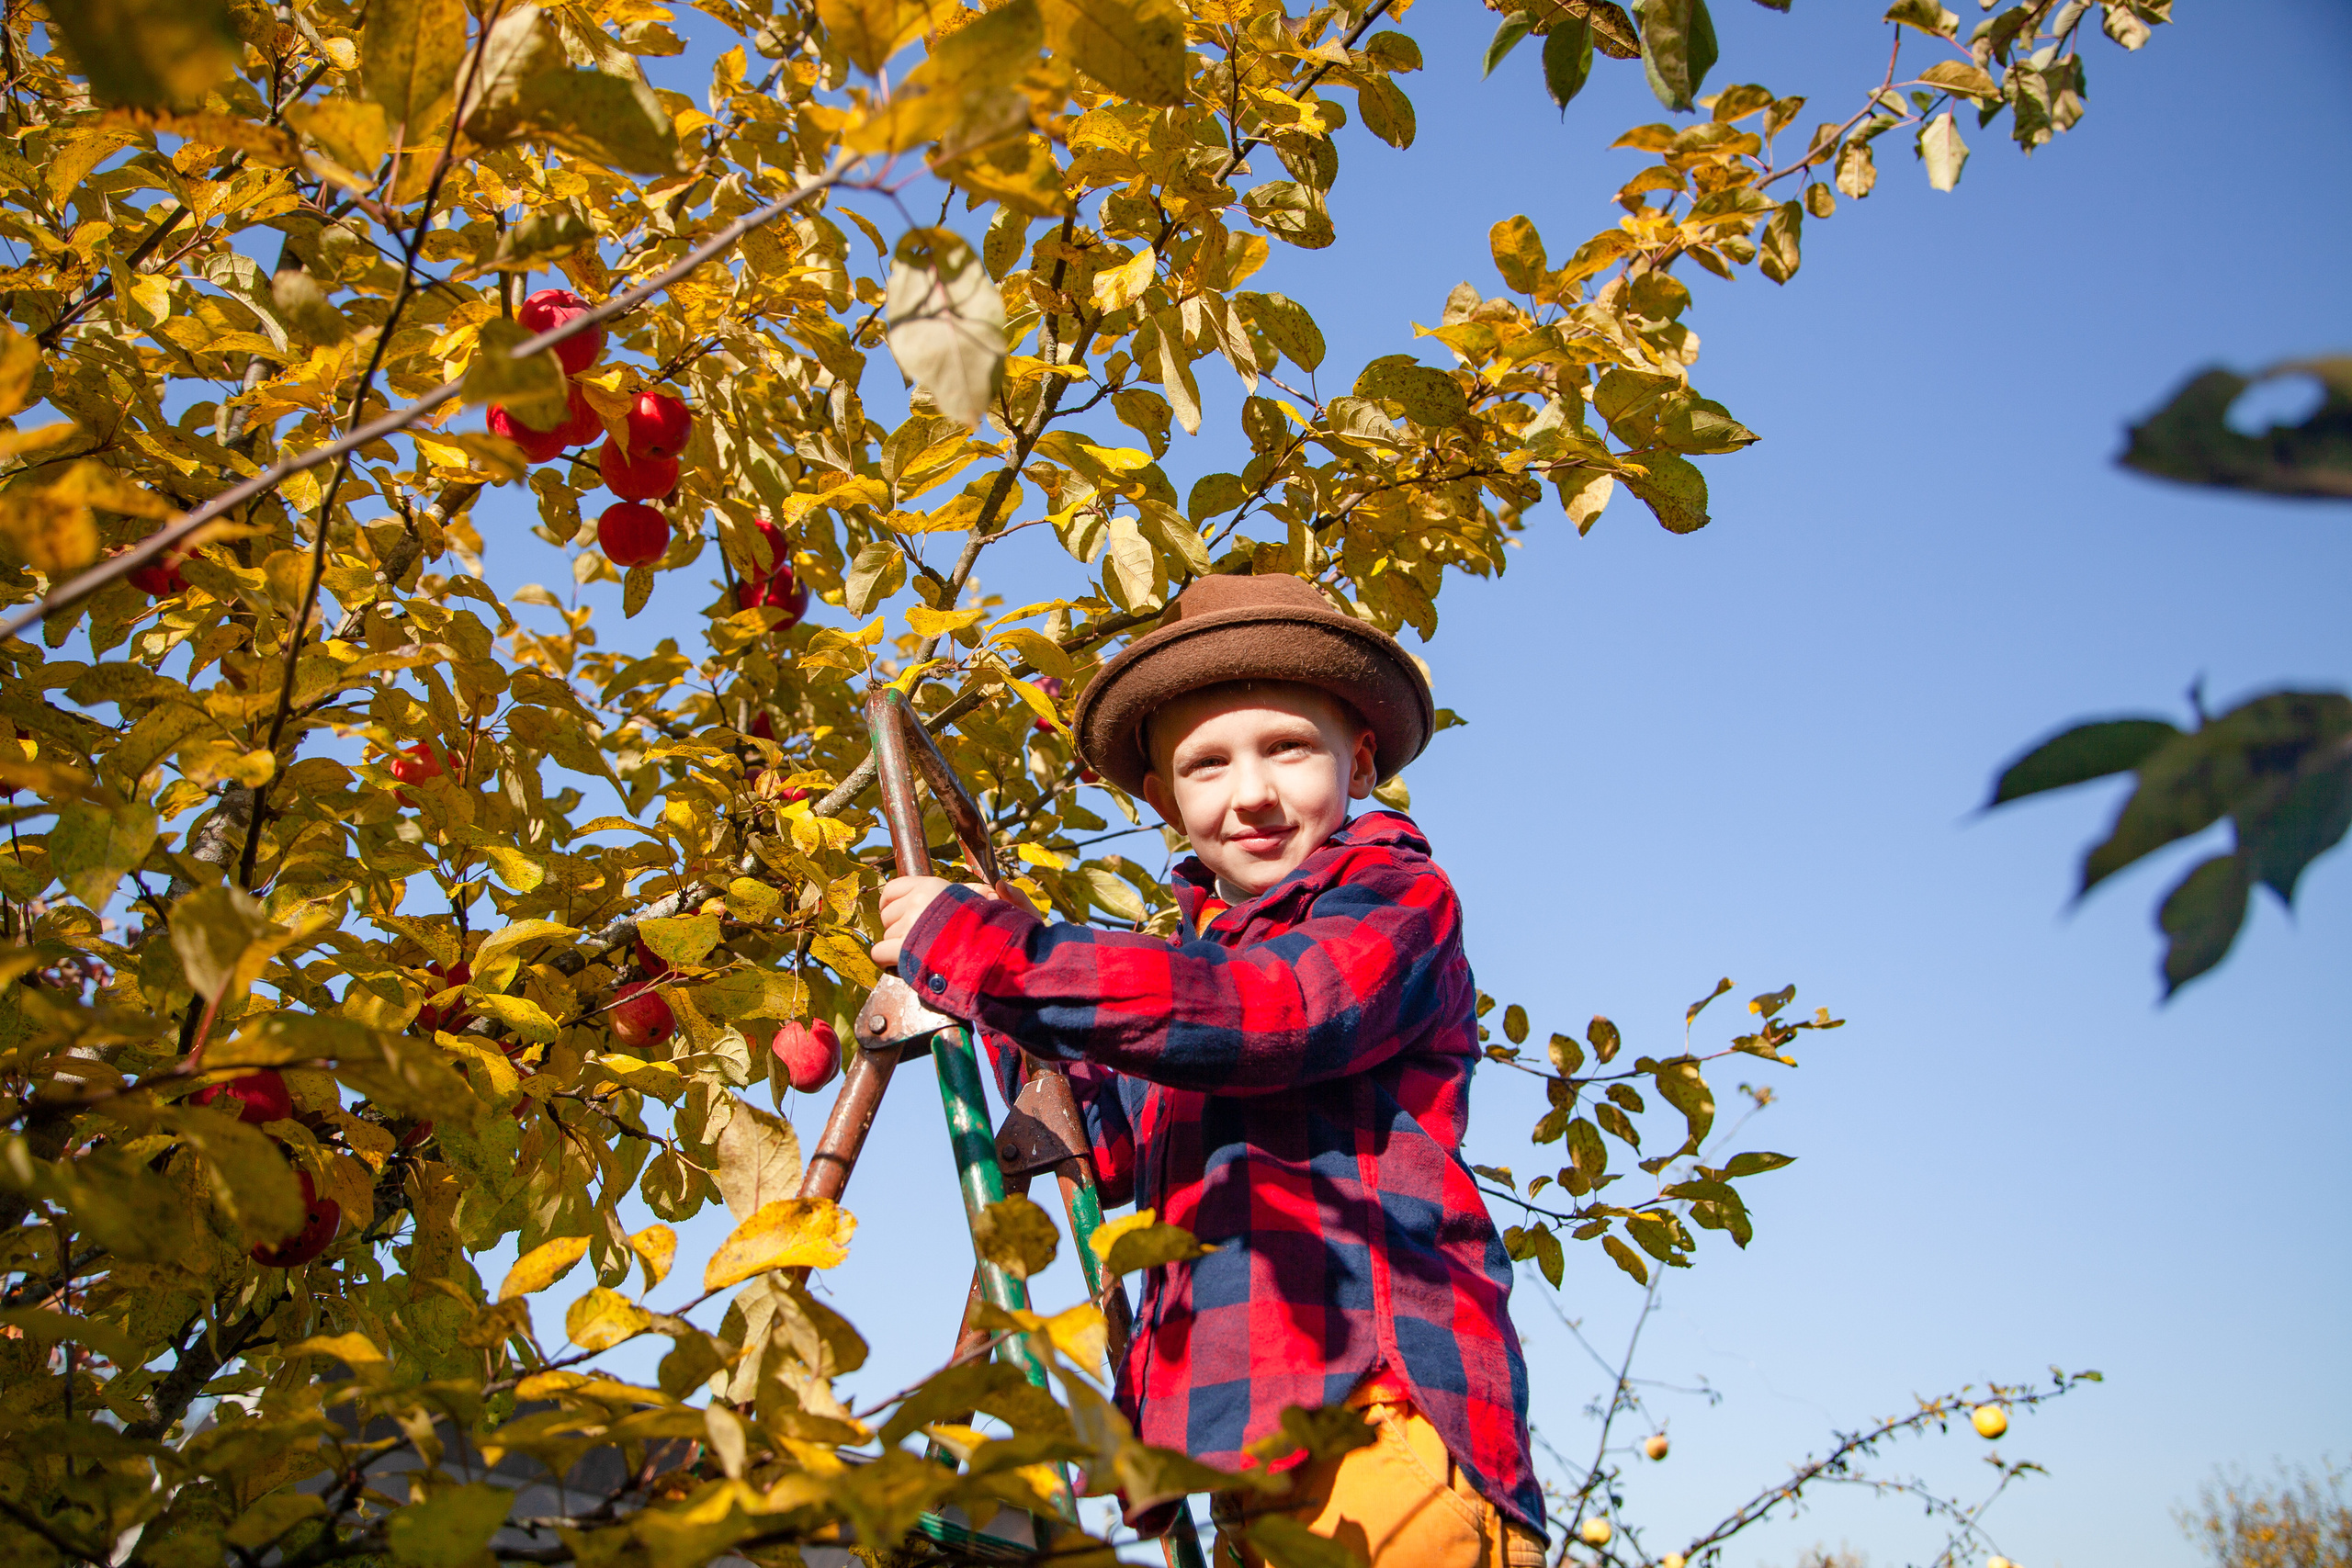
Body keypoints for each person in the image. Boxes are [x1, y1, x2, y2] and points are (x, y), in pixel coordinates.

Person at [871, 574, 1546, 1568]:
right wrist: (1000, 1014)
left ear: (1357, 760)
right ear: (1161, 799)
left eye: (1287, 748)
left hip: (1370, 1422)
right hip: (1232, 1455)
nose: (1252, 793)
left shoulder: (1393, 897)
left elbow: (1279, 1010)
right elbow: (1102, 1150)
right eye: (1207, 765)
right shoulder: (1180, 997)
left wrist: (999, 952)